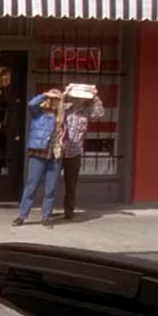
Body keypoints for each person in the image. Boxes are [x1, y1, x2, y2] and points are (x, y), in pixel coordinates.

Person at [13, 88, 66, 228]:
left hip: (55, 154)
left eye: (57, 99)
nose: (54, 101)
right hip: (39, 153)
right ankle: (22, 216)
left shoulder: (62, 117)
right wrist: (45, 95)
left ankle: (46, 217)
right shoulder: (39, 113)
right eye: (52, 99)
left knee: (51, 188)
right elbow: (31, 104)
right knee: (32, 185)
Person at [59, 83, 105, 221]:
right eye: (77, 98)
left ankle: (69, 212)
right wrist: (66, 93)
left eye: (81, 98)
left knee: (71, 186)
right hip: (59, 151)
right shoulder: (64, 109)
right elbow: (55, 106)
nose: (79, 100)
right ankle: (47, 212)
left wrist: (94, 96)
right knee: (50, 183)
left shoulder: (86, 112)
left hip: (75, 153)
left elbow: (99, 113)